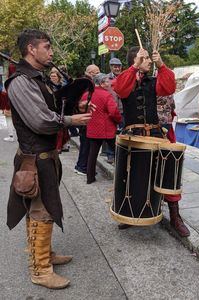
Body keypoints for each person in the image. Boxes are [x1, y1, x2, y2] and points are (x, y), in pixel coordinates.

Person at [5, 29, 92, 289]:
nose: (51, 51)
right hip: (35, 160)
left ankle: (45, 254)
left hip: (44, 157)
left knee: (43, 210)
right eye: (46, 46)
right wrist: (70, 121)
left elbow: (50, 109)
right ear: (31, 49)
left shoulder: (36, 79)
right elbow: (41, 121)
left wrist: (78, 108)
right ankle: (40, 269)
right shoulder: (20, 81)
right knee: (41, 212)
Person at [114, 47, 190, 237]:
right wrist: (134, 67)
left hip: (154, 133)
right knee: (132, 176)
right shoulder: (126, 78)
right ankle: (130, 213)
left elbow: (169, 87)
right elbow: (120, 89)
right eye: (145, 58)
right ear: (136, 60)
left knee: (167, 173)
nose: (149, 60)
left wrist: (161, 64)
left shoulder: (153, 81)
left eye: (149, 58)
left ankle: (175, 216)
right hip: (133, 136)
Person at [85, 73, 122, 184]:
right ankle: (123, 176)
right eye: (106, 81)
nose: (109, 83)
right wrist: (119, 120)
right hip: (106, 128)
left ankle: (90, 178)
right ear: (101, 83)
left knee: (92, 154)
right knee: (118, 153)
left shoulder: (88, 94)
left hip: (92, 127)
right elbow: (114, 112)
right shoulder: (106, 95)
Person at [74, 64, 100, 175]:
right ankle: (82, 167)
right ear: (89, 73)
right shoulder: (84, 83)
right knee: (85, 144)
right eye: (96, 72)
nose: (98, 74)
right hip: (84, 117)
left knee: (87, 144)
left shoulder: (87, 83)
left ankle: (84, 166)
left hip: (85, 116)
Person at [2, 63, 17, 142]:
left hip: (10, 103)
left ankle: (11, 136)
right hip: (17, 103)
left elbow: (9, 94)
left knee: (8, 119)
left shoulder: (9, 81)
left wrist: (7, 107)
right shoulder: (18, 79)